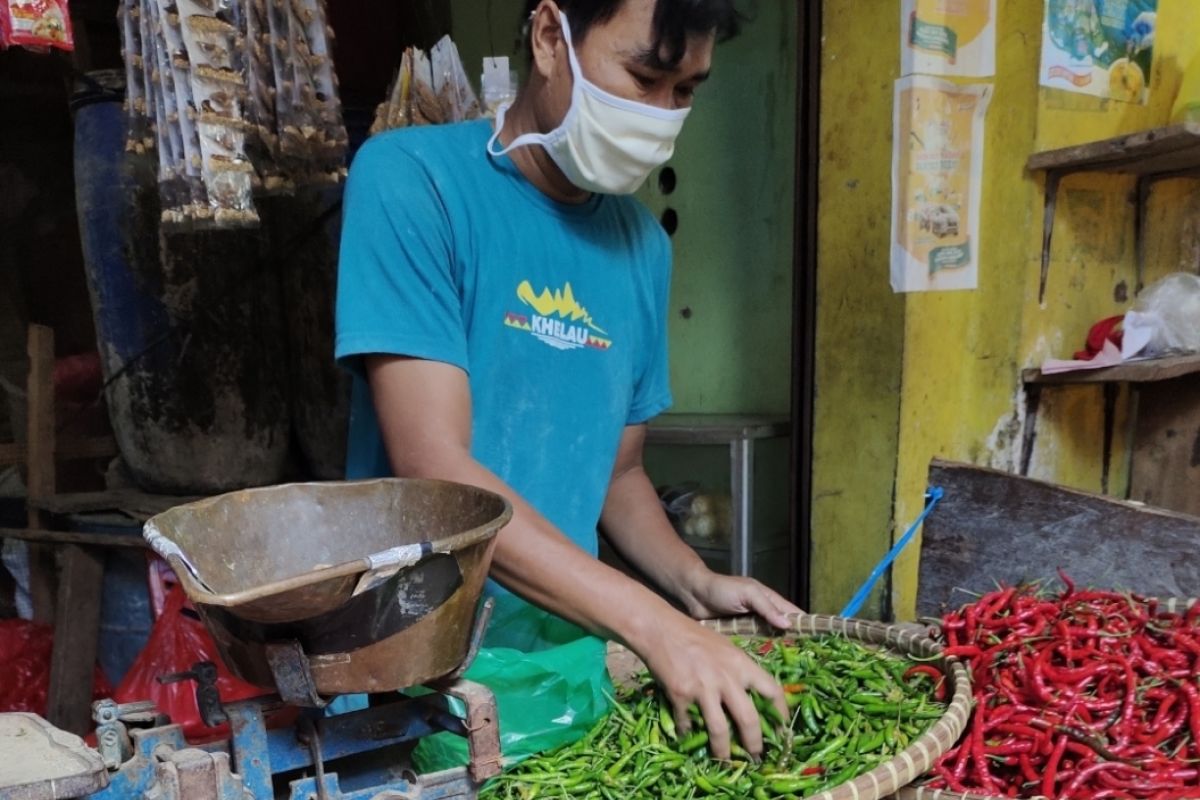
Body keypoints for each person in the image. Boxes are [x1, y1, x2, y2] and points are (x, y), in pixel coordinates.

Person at [335, 0, 802, 761]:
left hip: (568, 663)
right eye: (644, 75)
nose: (660, 114)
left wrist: (693, 582)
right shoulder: (413, 181)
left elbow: (618, 473)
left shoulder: (641, 245)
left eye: (684, 92)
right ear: (552, 38)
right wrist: (656, 626)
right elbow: (436, 469)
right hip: (421, 679)